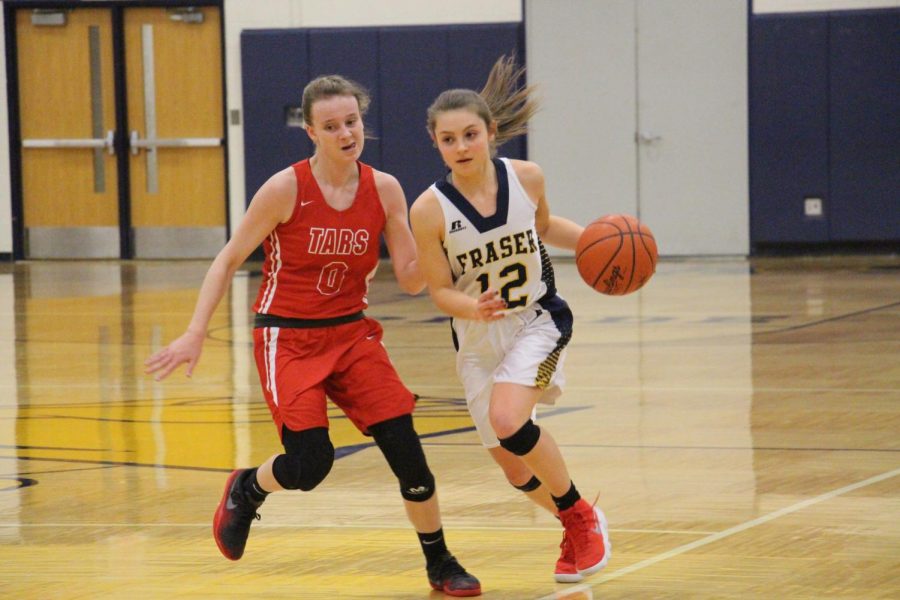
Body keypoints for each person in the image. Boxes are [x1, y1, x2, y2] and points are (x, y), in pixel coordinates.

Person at [144, 75, 481, 597]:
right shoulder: (286, 189)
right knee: (310, 465)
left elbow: (413, 277)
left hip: (351, 333)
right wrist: (194, 332)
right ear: (311, 132)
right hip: (289, 336)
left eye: (352, 122)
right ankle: (247, 488)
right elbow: (229, 257)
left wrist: (454, 251)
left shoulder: (385, 189)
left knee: (408, 452)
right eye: (332, 126)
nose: (346, 133)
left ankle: (440, 562)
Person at [409, 56, 612, 584]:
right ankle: (574, 520)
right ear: (436, 144)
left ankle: (579, 516)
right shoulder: (428, 210)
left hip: (537, 320)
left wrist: (600, 242)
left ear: (491, 132)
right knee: (514, 467)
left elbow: (545, 229)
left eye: (470, 134)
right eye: (448, 139)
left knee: (508, 421)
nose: (461, 147)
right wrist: (472, 306)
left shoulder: (526, 177)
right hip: (477, 337)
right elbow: (437, 291)